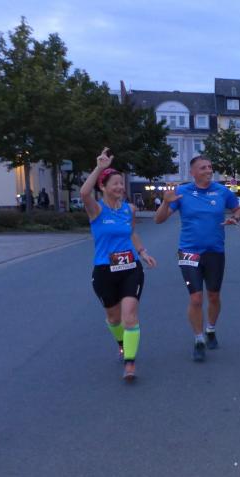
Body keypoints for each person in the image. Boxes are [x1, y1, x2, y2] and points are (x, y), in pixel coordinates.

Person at [154, 155, 240, 362]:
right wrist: (165, 203)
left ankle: (210, 328)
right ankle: (198, 339)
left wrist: (235, 218)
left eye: (210, 167)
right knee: (195, 298)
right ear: (192, 172)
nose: (208, 170)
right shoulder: (181, 192)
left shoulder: (222, 191)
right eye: (203, 168)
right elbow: (159, 219)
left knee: (213, 296)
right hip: (188, 251)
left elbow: (238, 209)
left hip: (214, 251)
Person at [81, 148, 157, 381]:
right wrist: (99, 168)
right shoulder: (96, 210)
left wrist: (142, 252)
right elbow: (84, 192)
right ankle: (122, 343)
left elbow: (131, 233)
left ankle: (130, 363)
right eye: (115, 184)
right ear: (103, 187)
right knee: (114, 319)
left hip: (130, 268)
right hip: (104, 270)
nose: (120, 187)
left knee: (129, 317)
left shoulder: (129, 209)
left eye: (121, 184)